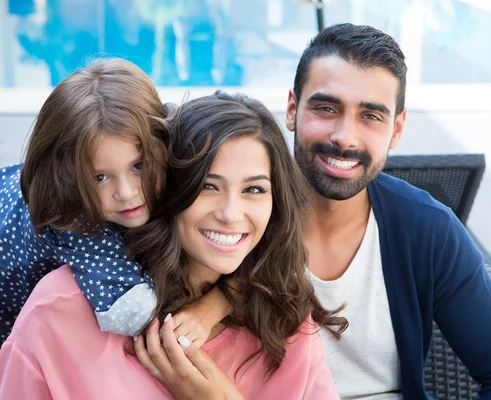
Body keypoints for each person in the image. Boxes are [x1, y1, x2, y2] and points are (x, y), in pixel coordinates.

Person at [178, 23, 491, 399]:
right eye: (326, 108)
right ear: (292, 109)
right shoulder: (235, 217)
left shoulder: (425, 230)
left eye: (371, 116)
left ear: (397, 129)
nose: (345, 136)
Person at [0, 92, 347, 399]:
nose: (230, 214)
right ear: (167, 184)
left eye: (254, 189)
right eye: (208, 186)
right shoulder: (59, 310)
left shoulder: (286, 318)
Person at [0, 58, 220, 345]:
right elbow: (134, 315)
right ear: (66, 178)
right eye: (99, 177)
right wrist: (216, 305)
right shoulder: (72, 223)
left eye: (138, 165)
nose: (127, 192)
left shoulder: (162, 132)